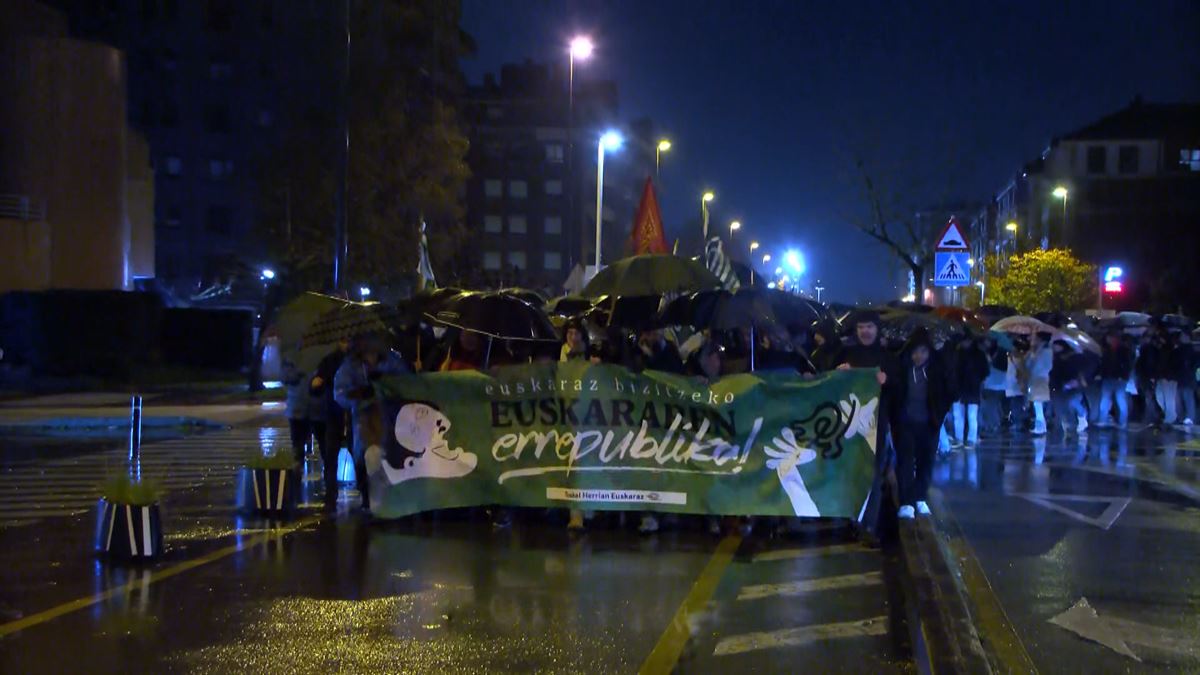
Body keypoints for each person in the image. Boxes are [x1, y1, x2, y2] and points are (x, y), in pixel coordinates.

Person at [837, 311, 896, 542]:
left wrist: (886, 380)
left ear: (876, 329)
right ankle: (852, 519)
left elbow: (898, 384)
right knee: (851, 473)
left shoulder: (887, 358)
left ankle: (869, 523)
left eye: (869, 326)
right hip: (849, 427)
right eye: (861, 327)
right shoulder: (846, 355)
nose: (865, 331)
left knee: (872, 475)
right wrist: (838, 374)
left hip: (877, 425)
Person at [334, 335, 409, 512]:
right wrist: (360, 394)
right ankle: (368, 500)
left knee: (389, 458)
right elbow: (340, 394)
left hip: (390, 420)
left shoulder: (392, 362)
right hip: (364, 421)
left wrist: (388, 383)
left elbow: (406, 383)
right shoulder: (350, 366)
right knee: (365, 458)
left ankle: (388, 501)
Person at [892, 329, 951, 519]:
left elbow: (949, 392)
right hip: (906, 423)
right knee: (906, 462)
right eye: (916, 352)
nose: (919, 356)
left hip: (930, 423)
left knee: (926, 461)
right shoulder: (902, 368)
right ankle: (907, 501)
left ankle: (920, 497)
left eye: (924, 352)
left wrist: (939, 413)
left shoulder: (938, 369)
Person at [312, 339, 351, 511]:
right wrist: (316, 383)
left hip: (352, 413)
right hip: (333, 413)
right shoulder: (330, 361)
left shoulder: (357, 361)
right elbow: (316, 384)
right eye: (344, 340)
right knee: (330, 455)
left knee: (358, 454)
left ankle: (366, 495)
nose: (346, 344)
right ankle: (330, 494)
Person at [282, 358, 324, 465]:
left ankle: (306, 455)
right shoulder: (293, 358)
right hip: (298, 408)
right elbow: (286, 376)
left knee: (321, 442)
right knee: (298, 445)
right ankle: (298, 469)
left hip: (312, 407)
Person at [952, 335, 989, 448]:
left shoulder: (957, 354)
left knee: (960, 415)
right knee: (970, 415)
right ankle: (970, 439)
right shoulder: (979, 354)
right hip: (972, 388)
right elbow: (985, 371)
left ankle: (960, 439)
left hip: (960, 388)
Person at [1050, 340, 1089, 435]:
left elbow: (1079, 370)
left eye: (1057, 346)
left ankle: (1081, 416)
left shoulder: (1074, 357)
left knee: (1072, 402)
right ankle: (1071, 422)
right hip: (1062, 384)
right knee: (1066, 404)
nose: (1055, 348)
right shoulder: (1056, 358)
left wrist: (1077, 380)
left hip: (1072, 384)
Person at [1097, 330, 1134, 428]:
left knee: (1118, 399)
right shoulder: (1108, 350)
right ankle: (1104, 420)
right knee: (1107, 400)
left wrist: (1123, 376)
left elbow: (1128, 364)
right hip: (1109, 377)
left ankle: (1122, 422)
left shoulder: (1123, 350)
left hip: (1118, 378)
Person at [1027, 332, 1053, 435]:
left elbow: (1033, 364)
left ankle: (1040, 427)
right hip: (1039, 378)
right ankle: (1040, 426)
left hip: (1039, 379)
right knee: (1037, 404)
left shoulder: (1044, 351)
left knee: (1037, 403)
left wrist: (1033, 354)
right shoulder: (1045, 350)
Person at [980, 336, 1008, 435]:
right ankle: (996, 424)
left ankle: (994, 425)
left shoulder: (994, 354)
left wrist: (989, 360)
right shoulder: (1003, 352)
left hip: (991, 384)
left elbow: (990, 367)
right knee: (995, 406)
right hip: (1001, 385)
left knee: (990, 407)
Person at [1169, 331, 1196, 428]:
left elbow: (1194, 364)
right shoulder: (1181, 350)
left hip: (1187, 377)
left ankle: (1189, 417)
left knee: (1187, 397)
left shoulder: (1190, 350)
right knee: (1179, 398)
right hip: (1181, 377)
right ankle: (1182, 417)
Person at [1135, 332, 1161, 425]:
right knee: (1149, 397)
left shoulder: (1148, 350)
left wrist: (1151, 376)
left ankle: (1151, 417)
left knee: (1148, 397)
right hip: (1146, 375)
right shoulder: (1148, 349)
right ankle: (1152, 416)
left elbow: (1148, 364)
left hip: (1146, 375)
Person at [1156, 331, 1180, 427]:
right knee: (1163, 396)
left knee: (1167, 398)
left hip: (1168, 376)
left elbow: (1167, 364)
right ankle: (1170, 416)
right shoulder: (1165, 350)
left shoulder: (1168, 350)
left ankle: (1170, 417)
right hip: (1164, 376)